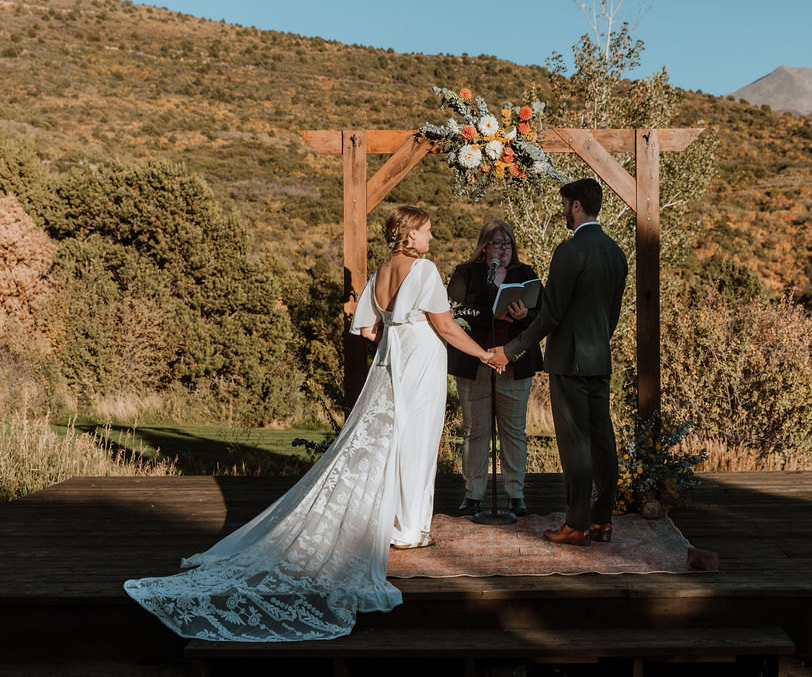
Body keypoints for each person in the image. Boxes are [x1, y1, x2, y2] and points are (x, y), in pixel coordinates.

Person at [124, 206, 495, 642]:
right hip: (420, 361)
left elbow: (368, 329)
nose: (432, 237)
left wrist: (398, 333)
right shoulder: (425, 269)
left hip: (391, 359)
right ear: (410, 236)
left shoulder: (382, 270)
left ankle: (401, 522)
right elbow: (447, 326)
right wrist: (485, 354)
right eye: (427, 231)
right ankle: (408, 529)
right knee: (415, 440)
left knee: (387, 438)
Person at [489, 179, 627, 547]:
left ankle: (576, 524)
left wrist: (510, 350)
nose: (563, 211)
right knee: (603, 439)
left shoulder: (569, 251)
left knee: (575, 443)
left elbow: (550, 315)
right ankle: (602, 521)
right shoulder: (616, 252)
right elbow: (611, 317)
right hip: (599, 358)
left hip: (569, 361)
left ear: (578, 206)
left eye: (565, 204)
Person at [447, 221, 544, 517]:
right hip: (475, 363)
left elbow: (543, 315)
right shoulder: (466, 272)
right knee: (475, 431)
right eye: (497, 243)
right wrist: (492, 314)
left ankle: (515, 494)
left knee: (514, 431)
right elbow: (454, 310)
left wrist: (524, 314)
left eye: (507, 244)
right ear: (484, 246)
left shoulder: (525, 274)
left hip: (515, 363)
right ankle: (473, 494)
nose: (503, 249)